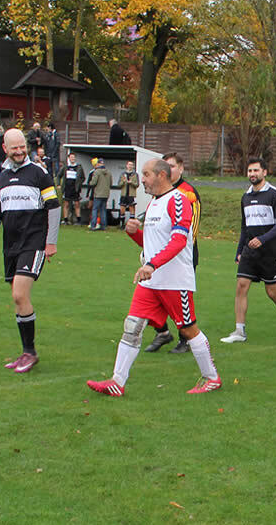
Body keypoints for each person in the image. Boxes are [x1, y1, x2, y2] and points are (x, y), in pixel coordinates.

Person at [86, 160, 220, 396]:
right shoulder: (154, 203)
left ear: (161, 175)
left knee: (189, 330)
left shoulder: (179, 200)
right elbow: (151, 245)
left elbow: (178, 241)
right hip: (151, 280)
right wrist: (134, 234)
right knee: (132, 326)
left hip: (175, 281)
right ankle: (117, 381)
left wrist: (152, 264)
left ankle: (212, 378)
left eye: (146, 174)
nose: (143, 179)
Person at [0, 129, 60, 374]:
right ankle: (26, 352)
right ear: (5, 148)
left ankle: (30, 353)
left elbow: (54, 207)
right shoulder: (1, 178)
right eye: (14, 147)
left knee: (19, 295)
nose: (19, 151)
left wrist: (51, 241)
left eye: (22, 146)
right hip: (10, 247)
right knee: (18, 300)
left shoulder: (39, 173)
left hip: (33, 244)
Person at [221, 158, 276, 343]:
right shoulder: (246, 197)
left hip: (271, 252)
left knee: (272, 292)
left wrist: (262, 239)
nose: (252, 174)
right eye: (249, 171)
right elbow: (244, 226)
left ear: (264, 172)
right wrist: (239, 250)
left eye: (256, 170)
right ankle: (239, 331)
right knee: (241, 286)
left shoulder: (274, 194)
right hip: (250, 252)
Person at [143, 152, 204, 354]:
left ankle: (185, 340)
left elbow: (189, 230)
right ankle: (162, 332)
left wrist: (183, 248)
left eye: (173, 166)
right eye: (166, 166)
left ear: (181, 168)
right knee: (149, 301)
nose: (169, 170)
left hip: (179, 255)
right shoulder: (157, 196)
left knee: (180, 305)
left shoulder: (187, 193)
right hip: (159, 257)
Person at [57, 153, 84, 225]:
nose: (73, 159)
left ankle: (78, 220)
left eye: (74, 157)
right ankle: (66, 220)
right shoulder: (65, 167)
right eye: (71, 157)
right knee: (66, 204)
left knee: (77, 204)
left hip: (75, 189)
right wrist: (58, 184)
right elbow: (59, 176)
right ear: (69, 158)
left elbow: (83, 178)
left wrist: (79, 184)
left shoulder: (79, 167)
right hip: (67, 188)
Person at [86, 157, 112, 230]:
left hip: (98, 194)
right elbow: (111, 183)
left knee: (95, 209)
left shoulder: (97, 172)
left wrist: (90, 183)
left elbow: (93, 182)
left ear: (98, 164)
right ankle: (103, 226)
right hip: (106, 194)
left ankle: (93, 225)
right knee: (103, 210)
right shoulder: (109, 172)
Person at [117, 160, 139, 225]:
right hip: (124, 194)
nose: (130, 166)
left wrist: (131, 183)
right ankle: (122, 224)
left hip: (131, 194)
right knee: (122, 208)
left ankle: (131, 224)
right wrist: (123, 182)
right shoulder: (122, 174)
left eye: (132, 165)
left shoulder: (135, 174)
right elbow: (119, 184)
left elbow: (137, 184)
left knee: (132, 208)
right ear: (127, 166)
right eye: (129, 165)